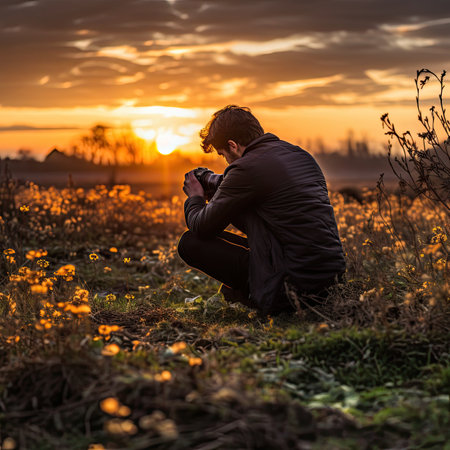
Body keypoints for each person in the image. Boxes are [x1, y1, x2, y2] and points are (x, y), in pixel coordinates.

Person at [177, 105, 346, 316]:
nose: (227, 162)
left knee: (190, 242)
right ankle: (249, 290)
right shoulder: (300, 156)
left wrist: (195, 197)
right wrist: (218, 191)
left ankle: (259, 296)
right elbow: (257, 200)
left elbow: (202, 228)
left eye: (223, 155)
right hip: (331, 280)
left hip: (291, 289)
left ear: (232, 145)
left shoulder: (247, 168)